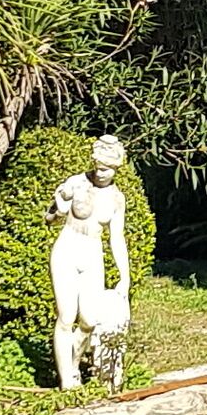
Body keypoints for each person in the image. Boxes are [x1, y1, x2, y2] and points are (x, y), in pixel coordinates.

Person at [48, 136, 133, 390]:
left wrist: (125, 276)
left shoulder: (117, 199)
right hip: (67, 248)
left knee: (89, 319)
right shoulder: (77, 182)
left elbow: (116, 238)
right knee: (66, 317)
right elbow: (50, 218)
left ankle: (74, 365)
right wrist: (60, 206)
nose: (101, 173)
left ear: (116, 168)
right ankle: (67, 380)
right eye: (98, 167)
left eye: (106, 169)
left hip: (92, 253)